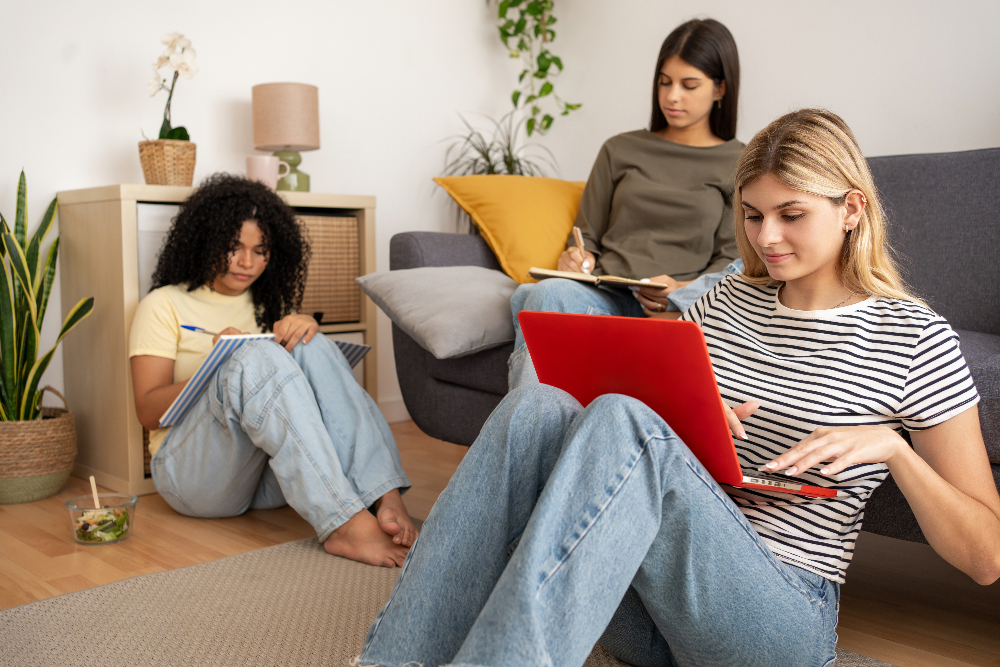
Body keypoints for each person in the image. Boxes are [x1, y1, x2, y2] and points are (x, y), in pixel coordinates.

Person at [354, 109, 1000, 667]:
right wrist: (689, 415)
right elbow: (649, 434)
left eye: (791, 214)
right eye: (752, 215)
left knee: (623, 420)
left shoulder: (914, 336)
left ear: (852, 207)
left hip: (776, 614)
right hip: (646, 603)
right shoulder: (727, 298)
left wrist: (894, 448)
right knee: (537, 403)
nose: (766, 237)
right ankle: (392, 657)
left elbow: (985, 556)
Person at [128, 174, 418, 568]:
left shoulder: (267, 304)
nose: (248, 262)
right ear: (206, 241)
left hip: (270, 480)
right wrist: (220, 368)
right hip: (192, 478)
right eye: (234, 248)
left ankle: (383, 494)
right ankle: (344, 523)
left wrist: (298, 330)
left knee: (309, 342)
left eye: (260, 250)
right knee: (253, 358)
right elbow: (147, 411)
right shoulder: (163, 304)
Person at [509, 18, 744, 388]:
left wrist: (683, 288)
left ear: (721, 89)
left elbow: (733, 261)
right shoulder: (620, 149)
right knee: (547, 292)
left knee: (531, 299)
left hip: (680, 308)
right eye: (664, 82)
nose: (672, 96)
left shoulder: (741, 163)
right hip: (606, 297)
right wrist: (577, 258)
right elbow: (586, 236)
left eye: (689, 84)